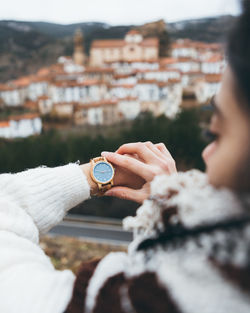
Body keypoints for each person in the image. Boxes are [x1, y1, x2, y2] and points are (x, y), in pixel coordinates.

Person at [0, 2, 250, 313]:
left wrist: (96, 176)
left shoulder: (127, 300)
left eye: (217, 133)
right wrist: (167, 216)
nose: (206, 153)